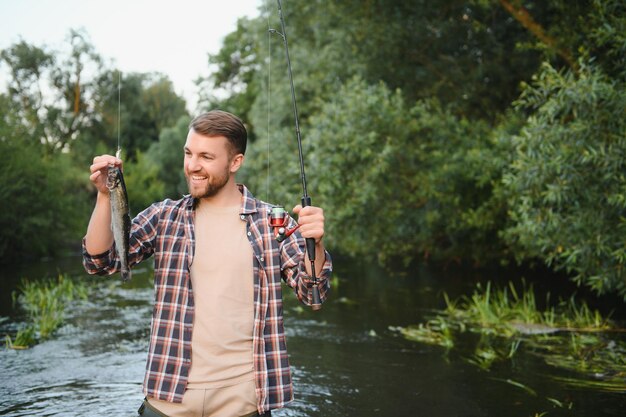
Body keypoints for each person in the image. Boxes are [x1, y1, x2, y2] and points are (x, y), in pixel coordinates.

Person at [82, 110, 332, 417]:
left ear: (235, 162)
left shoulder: (273, 222)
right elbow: (99, 262)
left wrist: (315, 244)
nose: (193, 166)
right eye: (188, 153)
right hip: (168, 399)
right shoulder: (165, 216)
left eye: (206, 156)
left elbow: (313, 292)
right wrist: (105, 197)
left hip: (242, 403)